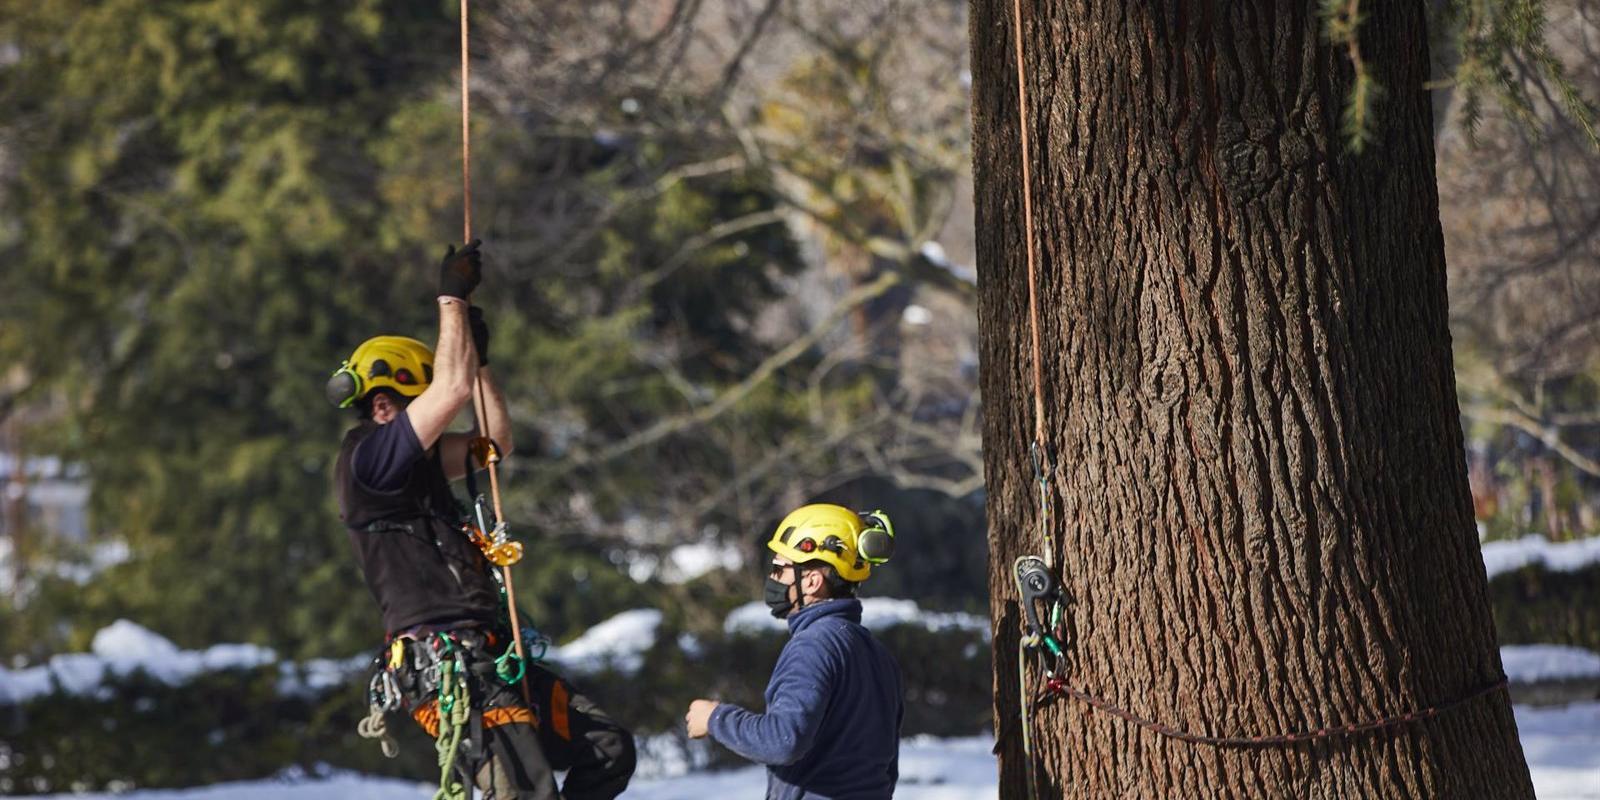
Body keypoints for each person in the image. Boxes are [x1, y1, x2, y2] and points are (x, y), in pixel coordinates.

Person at [329, 240, 635, 799]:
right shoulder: (367, 459)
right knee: (520, 792)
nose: (380, 406)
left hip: (488, 653)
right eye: (374, 398)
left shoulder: (419, 464)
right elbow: (447, 391)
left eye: (390, 397)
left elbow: (494, 441)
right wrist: (451, 301)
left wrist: (481, 363)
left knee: (607, 746)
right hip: (446, 662)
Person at [685, 504, 904, 800]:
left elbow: (783, 740)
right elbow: (887, 765)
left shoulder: (814, 645)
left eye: (779, 569)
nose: (773, 579)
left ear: (812, 581)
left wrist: (714, 718)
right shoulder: (877, 654)